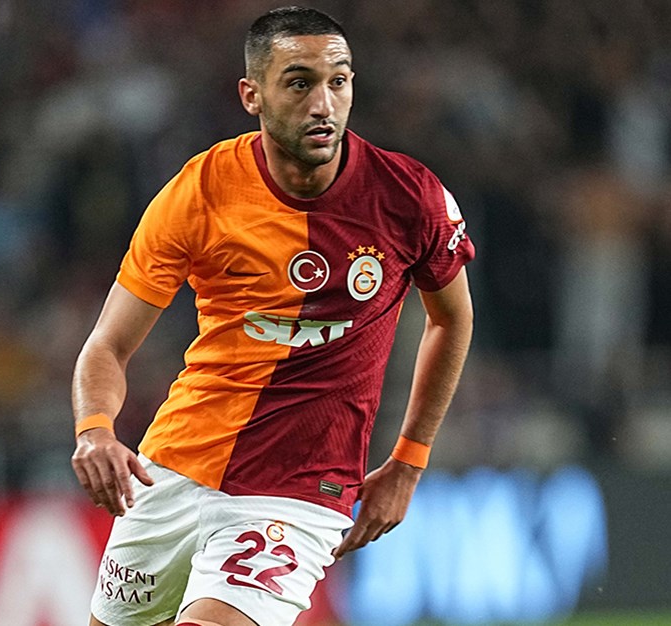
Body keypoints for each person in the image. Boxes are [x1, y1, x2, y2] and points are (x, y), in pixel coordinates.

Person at [70, 6, 475, 626]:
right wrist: (95, 429)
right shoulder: (200, 190)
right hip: (174, 467)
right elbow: (107, 345)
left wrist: (408, 462)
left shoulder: (408, 196)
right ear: (251, 95)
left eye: (338, 81)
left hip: (301, 487)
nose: (323, 104)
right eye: (299, 83)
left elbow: (451, 319)